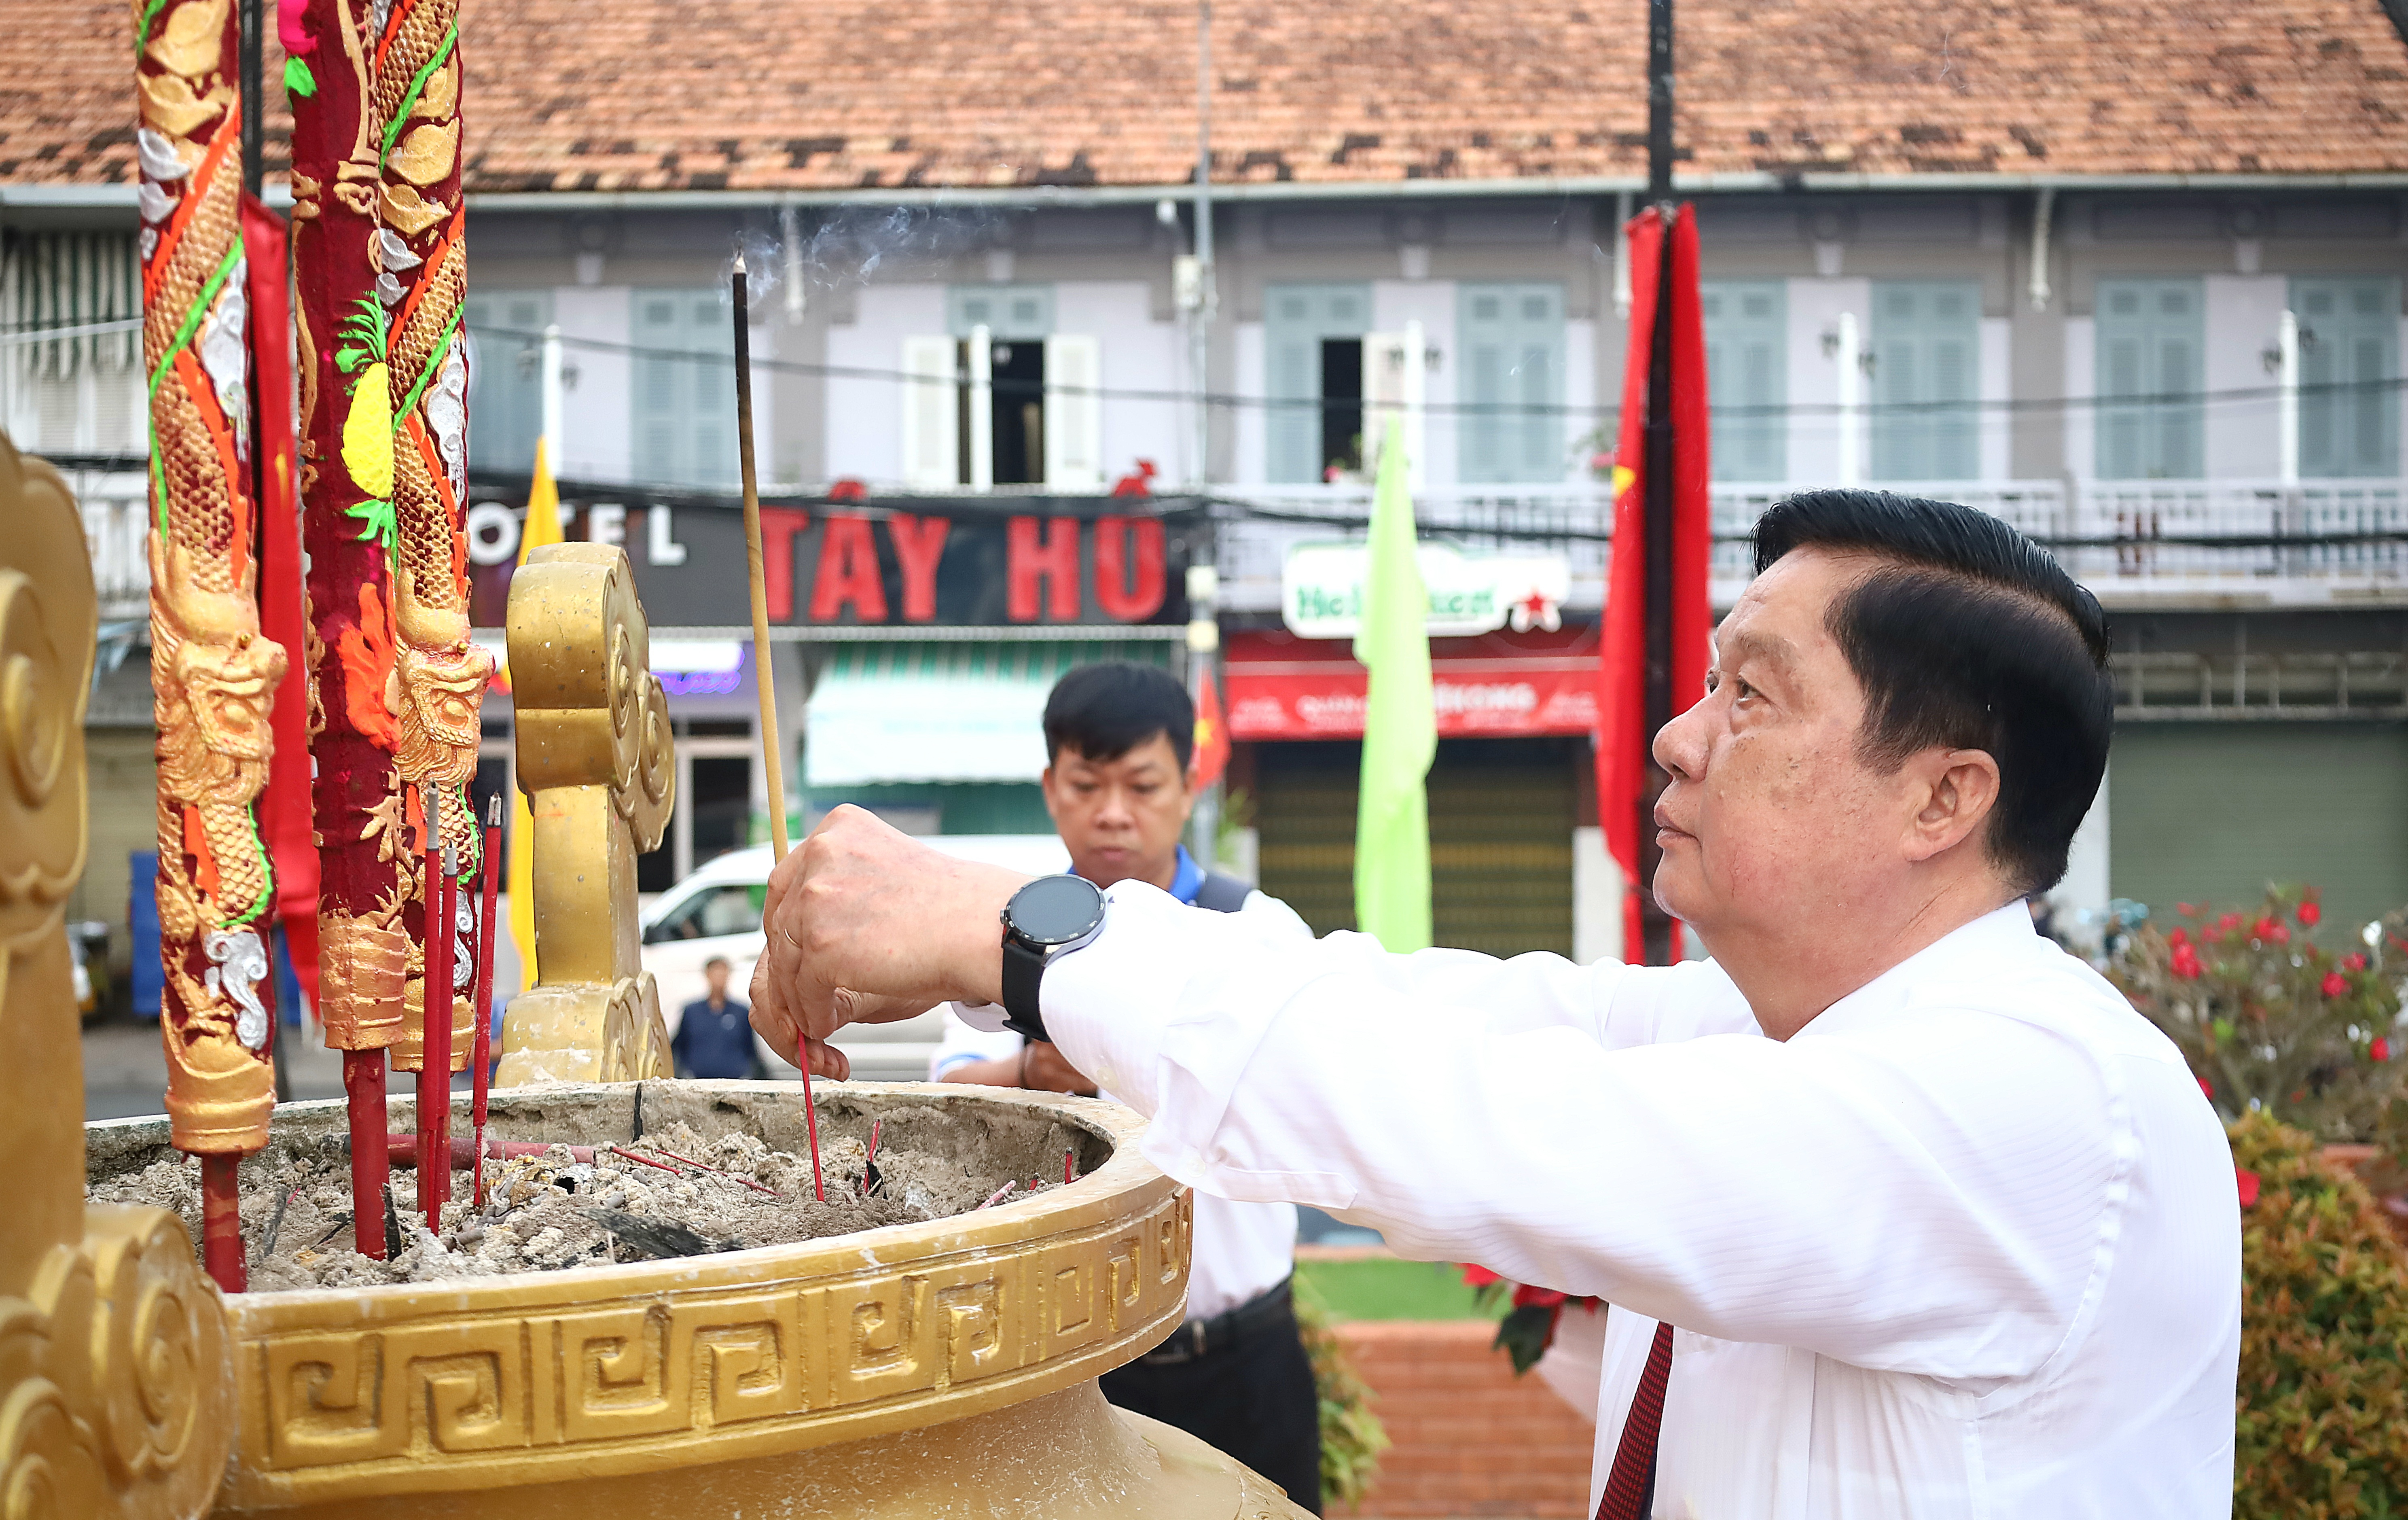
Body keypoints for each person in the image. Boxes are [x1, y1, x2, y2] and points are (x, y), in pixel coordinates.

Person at [752, 492, 2241, 1520]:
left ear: (1940, 796)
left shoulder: (2040, 1095)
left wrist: (1021, 926)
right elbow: (1436, 1020)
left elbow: (1499, 1124)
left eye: (1752, 696)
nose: (1675, 735)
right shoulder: (1763, 1026)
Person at [928, 661, 1326, 1514]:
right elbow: (950, 1100)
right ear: (1050, 786)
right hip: (1076, 1368)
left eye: (1142, 783)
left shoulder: (1254, 932)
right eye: (1086, 782)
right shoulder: (1002, 940)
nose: (1113, 810)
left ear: (1189, 784)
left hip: (1245, 1360)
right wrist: (1031, 1071)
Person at [671, 957, 757, 1081]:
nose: (719, 978)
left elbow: (751, 1049)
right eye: (716, 973)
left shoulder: (741, 1012)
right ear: (707, 975)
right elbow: (679, 1047)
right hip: (697, 1084)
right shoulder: (691, 1012)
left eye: (723, 973)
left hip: (736, 1084)